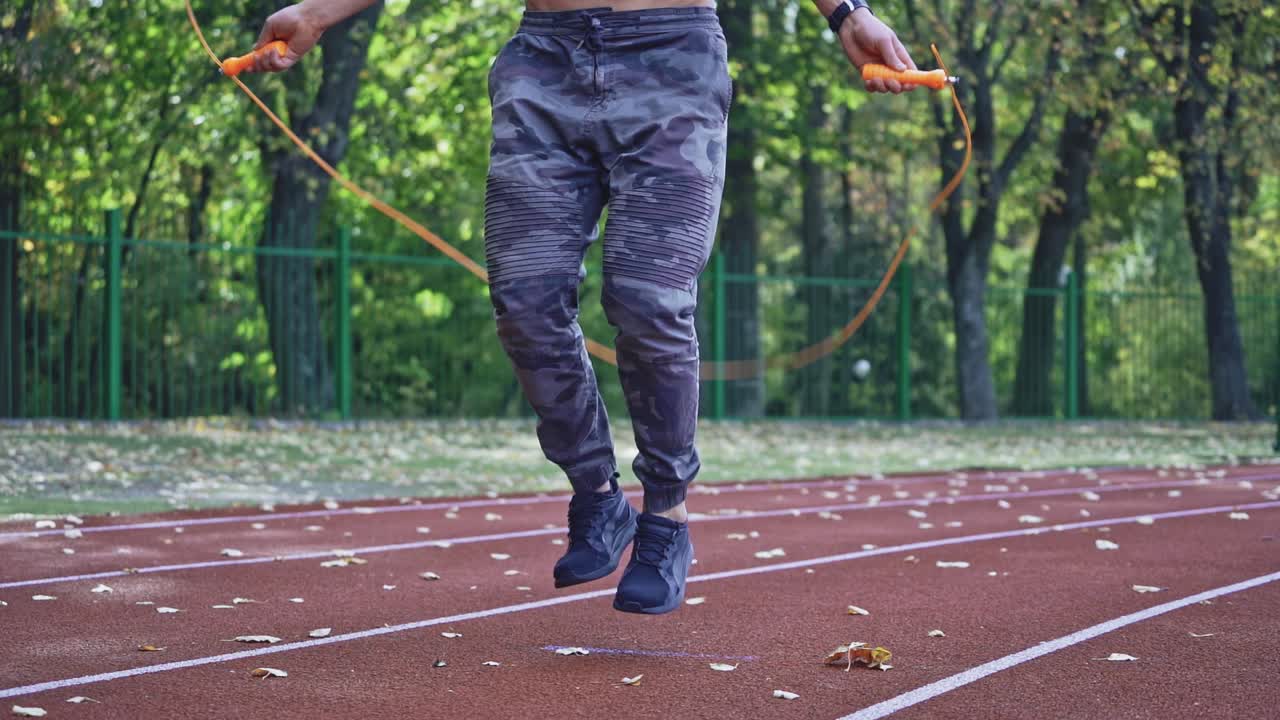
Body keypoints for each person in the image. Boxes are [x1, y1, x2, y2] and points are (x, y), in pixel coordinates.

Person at [249, 0, 915, 615]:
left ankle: (666, 518)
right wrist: (318, 11)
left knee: (648, 299)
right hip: (543, 63)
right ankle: (597, 496)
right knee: (524, 301)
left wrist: (846, 13)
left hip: (673, 55)